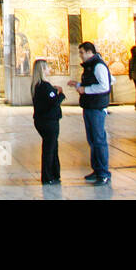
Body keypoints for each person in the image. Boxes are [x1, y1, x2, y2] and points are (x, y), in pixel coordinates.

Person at [68, 41, 112, 184]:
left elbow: (105, 86)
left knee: (99, 140)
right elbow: (91, 83)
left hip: (96, 108)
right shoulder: (90, 66)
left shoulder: (98, 65)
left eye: (81, 52)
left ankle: (103, 173)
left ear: (89, 52)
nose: (80, 56)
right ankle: (97, 170)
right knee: (92, 140)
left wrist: (85, 90)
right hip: (89, 106)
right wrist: (79, 85)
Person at [31, 58, 64, 184]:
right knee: (50, 149)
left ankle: (54, 174)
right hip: (49, 121)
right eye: (47, 67)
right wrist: (60, 94)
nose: (49, 69)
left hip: (41, 120)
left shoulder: (37, 86)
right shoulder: (45, 86)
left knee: (52, 147)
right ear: (43, 70)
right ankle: (47, 176)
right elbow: (54, 102)